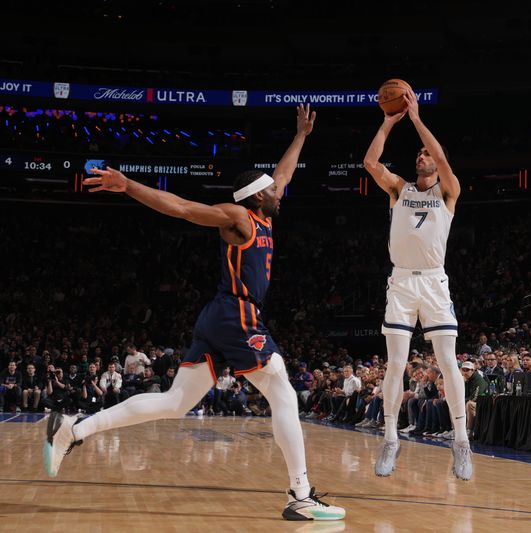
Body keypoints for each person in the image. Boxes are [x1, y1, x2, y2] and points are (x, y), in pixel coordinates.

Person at [43, 105, 345, 522]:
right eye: (272, 190)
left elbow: (284, 173)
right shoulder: (239, 217)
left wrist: (301, 136)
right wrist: (128, 184)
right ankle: (300, 494)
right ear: (259, 195)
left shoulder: (263, 213)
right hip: (236, 314)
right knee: (284, 394)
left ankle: (73, 430)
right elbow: (183, 207)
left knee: (175, 401)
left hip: (219, 316)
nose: (280, 190)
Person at [364, 90, 472, 480]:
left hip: (434, 282)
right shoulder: (399, 189)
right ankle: (391, 439)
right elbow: (370, 162)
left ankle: (461, 442)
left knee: (448, 362)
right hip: (402, 282)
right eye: (418, 155)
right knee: (395, 364)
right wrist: (390, 121)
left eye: (425, 155)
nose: (421, 156)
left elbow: (442, 157)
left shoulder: (448, 191)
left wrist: (416, 119)